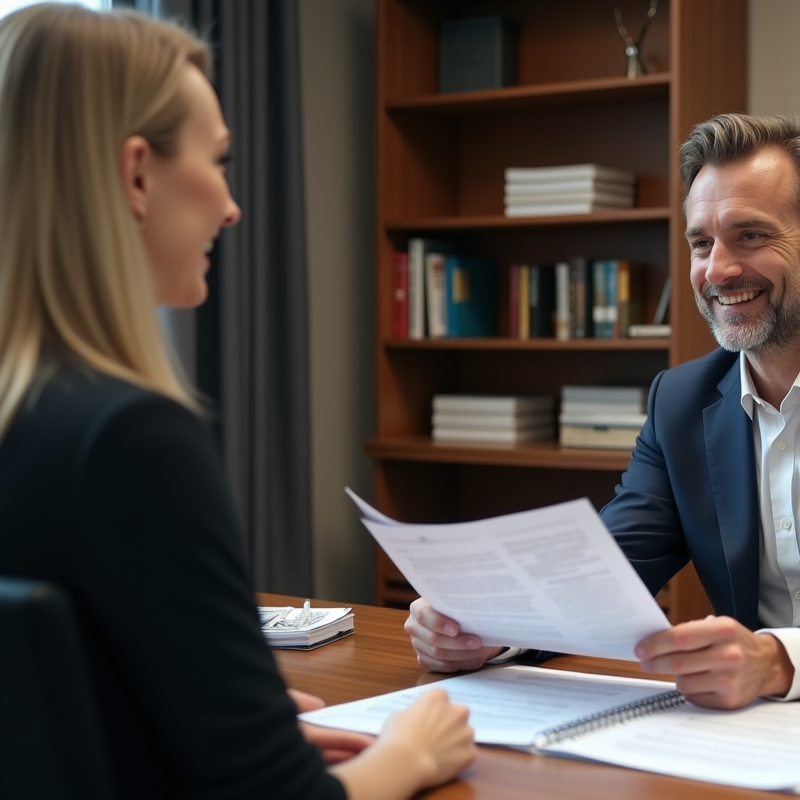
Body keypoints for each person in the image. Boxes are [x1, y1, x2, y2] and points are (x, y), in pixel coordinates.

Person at [0, 5, 473, 799]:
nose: (231, 206)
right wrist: (413, 749)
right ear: (137, 175)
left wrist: (211, 711)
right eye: (217, 161)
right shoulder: (131, 440)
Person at [404, 112, 800, 709]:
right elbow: (603, 576)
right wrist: (484, 631)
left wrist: (775, 659)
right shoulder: (681, 400)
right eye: (701, 242)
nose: (716, 271)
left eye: (750, 235)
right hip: (752, 729)